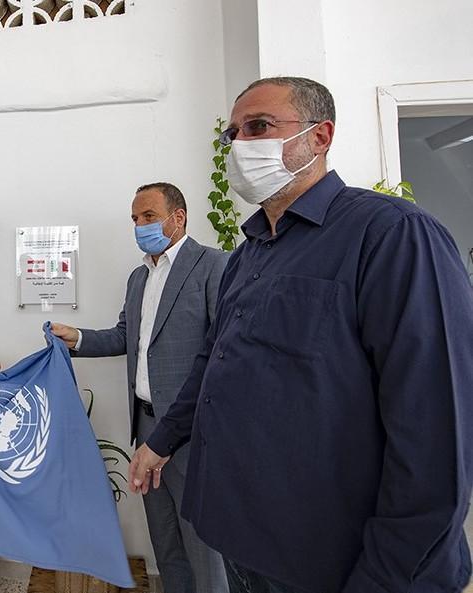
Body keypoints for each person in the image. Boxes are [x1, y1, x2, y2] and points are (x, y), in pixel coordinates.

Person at [128, 77, 473, 593]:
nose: (243, 145)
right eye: (234, 134)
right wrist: (162, 438)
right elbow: (211, 365)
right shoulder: (248, 255)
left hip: (332, 560)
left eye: (260, 126)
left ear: (320, 136)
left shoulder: (391, 235)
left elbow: (436, 433)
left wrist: (387, 577)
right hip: (242, 540)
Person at [51, 181, 228, 593]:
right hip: (147, 428)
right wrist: (74, 338)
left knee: (203, 545)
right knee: (164, 541)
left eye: (148, 216)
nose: (139, 225)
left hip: (191, 433)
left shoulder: (213, 266)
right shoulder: (138, 278)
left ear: (177, 218)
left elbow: (223, 352)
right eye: (134, 218)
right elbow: (123, 336)